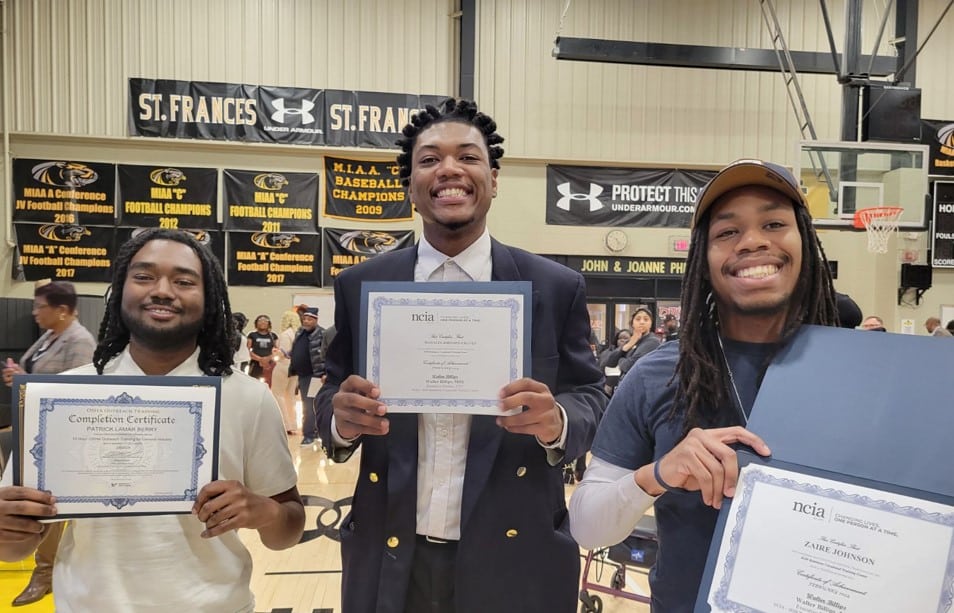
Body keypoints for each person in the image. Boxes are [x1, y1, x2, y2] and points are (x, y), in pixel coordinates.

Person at [316, 99, 606, 613]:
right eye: (429, 159)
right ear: (410, 185)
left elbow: (589, 394)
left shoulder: (555, 286)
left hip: (515, 556)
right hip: (390, 553)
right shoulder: (362, 285)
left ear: (494, 180)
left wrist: (556, 420)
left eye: (468, 157)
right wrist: (340, 420)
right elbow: (331, 392)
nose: (449, 169)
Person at [569, 159, 840, 612]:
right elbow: (587, 526)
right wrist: (658, 475)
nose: (753, 241)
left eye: (774, 223)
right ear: (703, 258)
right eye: (727, 232)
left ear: (805, 242)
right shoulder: (660, 375)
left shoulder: (860, 374)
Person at [0, 228, 305, 611]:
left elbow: (287, 532)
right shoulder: (59, 396)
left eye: (183, 281)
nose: (162, 290)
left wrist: (262, 510)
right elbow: (13, 549)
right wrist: (9, 527)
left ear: (208, 298)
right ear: (120, 289)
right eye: (143, 276)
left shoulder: (248, 397)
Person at [1, 280, 96, 607]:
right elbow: (37, 375)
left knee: (51, 505)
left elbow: (77, 390)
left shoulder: (81, 340)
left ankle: (44, 573)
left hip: (65, 435)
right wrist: (20, 374)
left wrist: (26, 381)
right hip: (38, 430)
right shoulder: (48, 337)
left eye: (41, 306)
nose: (35, 312)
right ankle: (45, 569)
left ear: (63, 310)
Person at [288, 305, 325, 446]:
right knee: (307, 404)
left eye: (310, 319)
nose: (306, 321)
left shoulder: (321, 334)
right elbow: (296, 350)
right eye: (305, 319)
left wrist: (324, 373)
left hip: (315, 376)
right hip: (302, 375)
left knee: (310, 405)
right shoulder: (300, 332)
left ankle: (309, 435)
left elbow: (326, 354)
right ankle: (313, 432)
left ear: (316, 320)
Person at [271, 309, 302, 434]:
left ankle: (284, 423)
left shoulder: (285, 335)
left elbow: (284, 353)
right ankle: (293, 424)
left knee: (278, 394)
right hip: (295, 367)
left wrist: (275, 353)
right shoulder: (298, 333)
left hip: (284, 365)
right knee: (290, 396)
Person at [614, 306, 662, 377]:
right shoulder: (632, 340)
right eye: (638, 319)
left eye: (646, 319)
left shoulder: (652, 341)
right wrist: (628, 345)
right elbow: (610, 362)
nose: (642, 322)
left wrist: (620, 360)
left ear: (651, 324)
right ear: (632, 323)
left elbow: (629, 366)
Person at [247, 314, 278, 384]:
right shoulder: (252, 335)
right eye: (260, 321)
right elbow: (247, 350)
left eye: (265, 321)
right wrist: (260, 359)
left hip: (269, 364)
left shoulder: (273, 336)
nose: (262, 322)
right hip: (255, 364)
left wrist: (268, 359)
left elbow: (277, 350)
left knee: (269, 383)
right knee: (253, 382)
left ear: (269, 324)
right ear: (256, 323)